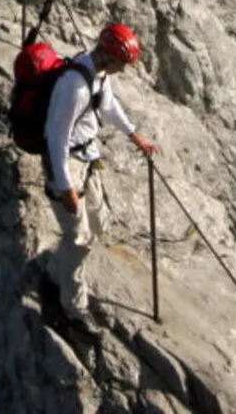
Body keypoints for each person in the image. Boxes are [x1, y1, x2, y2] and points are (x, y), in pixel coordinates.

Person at [43, 22, 158, 327]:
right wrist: (66, 186)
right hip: (68, 166)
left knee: (98, 222)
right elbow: (55, 137)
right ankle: (72, 308)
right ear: (109, 56)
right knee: (79, 240)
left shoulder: (99, 75)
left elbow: (108, 108)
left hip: (86, 159)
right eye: (122, 63)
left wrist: (136, 137)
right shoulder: (75, 87)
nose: (123, 69)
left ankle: (57, 271)